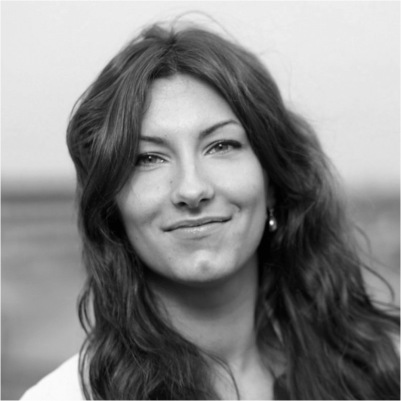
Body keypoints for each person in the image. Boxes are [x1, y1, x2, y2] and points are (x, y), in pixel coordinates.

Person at [21, 20, 401, 401]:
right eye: (148, 158)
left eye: (221, 146)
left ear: (272, 181)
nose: (192, 189)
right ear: (112, 206)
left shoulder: (377, 371)